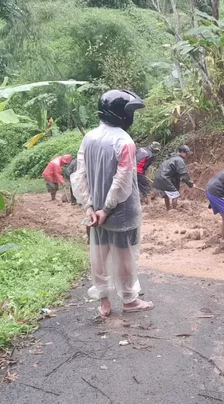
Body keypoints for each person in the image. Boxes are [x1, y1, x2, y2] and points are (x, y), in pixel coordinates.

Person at [70, 89, 152, 317]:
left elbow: (79, 174)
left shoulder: (89, 137)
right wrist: (107, 209)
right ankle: (129, 300)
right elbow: (122, 180)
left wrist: (89, 207)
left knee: (98, 254)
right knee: (126, 256)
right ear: (121, 114)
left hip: (95, 213)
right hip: (121, 212)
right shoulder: (124, 141)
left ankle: (104, 302)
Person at [152, 145, 195, 211]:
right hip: (165, 178)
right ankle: (173, 211)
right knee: (175, 194)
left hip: (160, 177)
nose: (187, 155)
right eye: (187, 153)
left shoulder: (171, 157)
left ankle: (168, 210)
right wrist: (191, 183)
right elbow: (183, 174)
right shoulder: (179, 160)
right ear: (182, 152)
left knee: (167, 194)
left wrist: (180, 178)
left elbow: (172, 170)